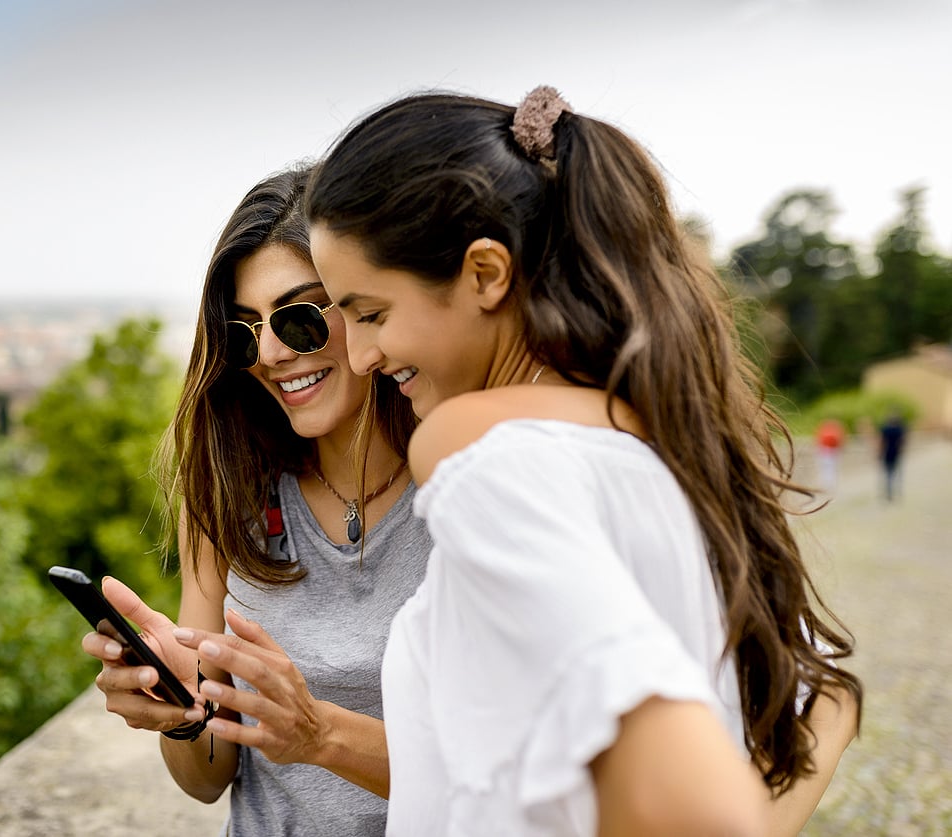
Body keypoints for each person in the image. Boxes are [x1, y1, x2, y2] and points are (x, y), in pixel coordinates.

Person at [305, 86, 863, 836]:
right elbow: (828, 704)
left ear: (485, 273)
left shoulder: (477, 448)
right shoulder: (672, 445)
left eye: (370, 313)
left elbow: (699, 810)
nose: (361, 355)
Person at [80, 165, 428, 836]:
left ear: (366, 305)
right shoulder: (230, 493)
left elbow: (505, 773)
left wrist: (317, 732)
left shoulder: (461, 485)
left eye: (297, 317)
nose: (268, 352)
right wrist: (186, 709)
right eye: (243, 332)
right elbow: (208, 780)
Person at [878, 408, 908, 500]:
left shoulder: (885, 429)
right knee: (897, 474)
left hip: (887, 453)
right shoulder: (900, 429)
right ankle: (897, 492)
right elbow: (902, 442)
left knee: (888, 475)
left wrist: (880, 453)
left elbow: (882, 442)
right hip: (896, 454)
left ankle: (889, 493)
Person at [814, 417, 846, 494]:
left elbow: (818, 441)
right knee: (831, 470)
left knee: (825, 470)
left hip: (825, 452)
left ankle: (825, 485)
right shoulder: (836, 431)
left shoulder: (824, 431)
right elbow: (841, 442)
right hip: (832, 452)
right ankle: (829, 485)